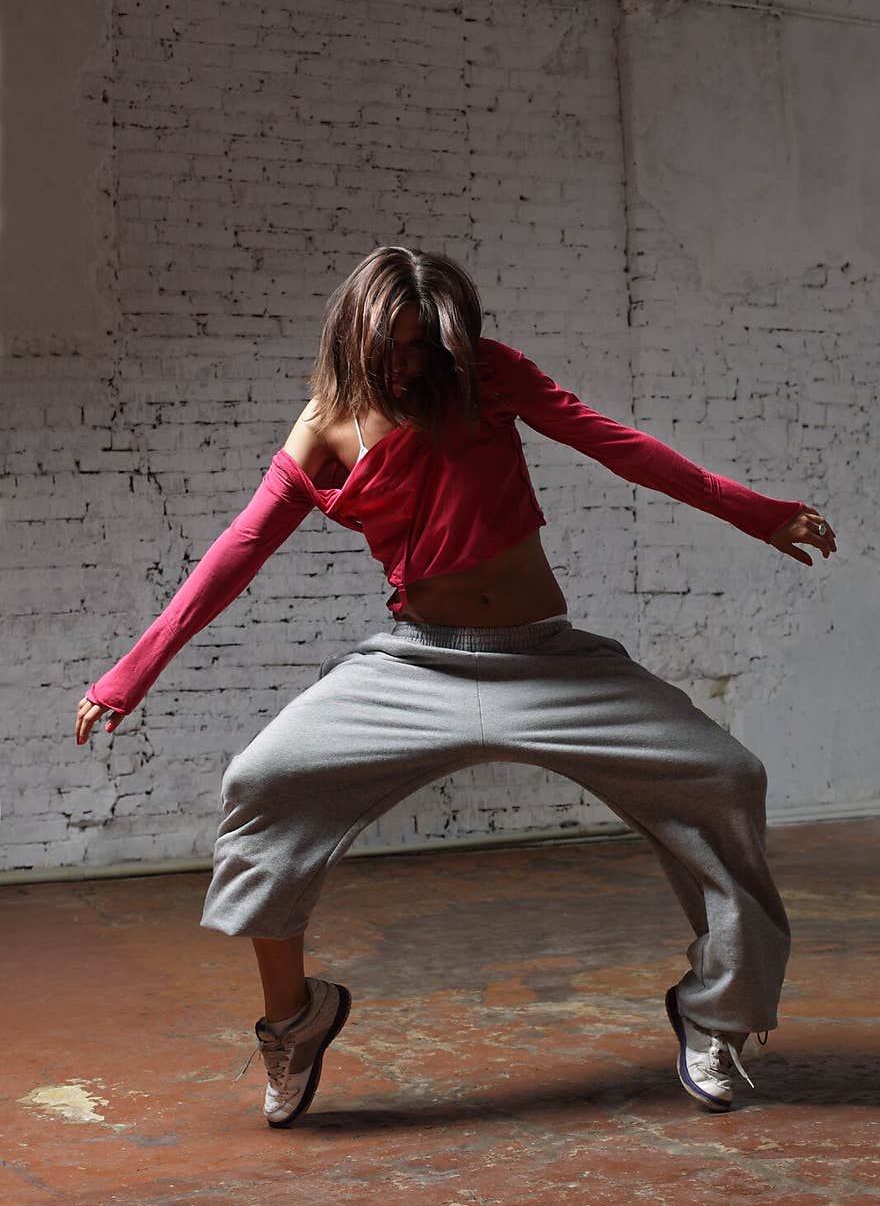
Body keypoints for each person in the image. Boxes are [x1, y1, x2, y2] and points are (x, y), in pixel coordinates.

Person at [75, 246, 837, 1126]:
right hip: (418, 664)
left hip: (549, 661)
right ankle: (294, 1018)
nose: (412, 367)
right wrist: (132, 673)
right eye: (395, 348)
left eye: (427, 350)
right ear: (357, 337)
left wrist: (757, 511)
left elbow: (619, 447)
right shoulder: (325, 425)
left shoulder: (485, 377)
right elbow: (239, 549)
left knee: (726, 777)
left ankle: (718, 1015)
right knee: (260, 780)